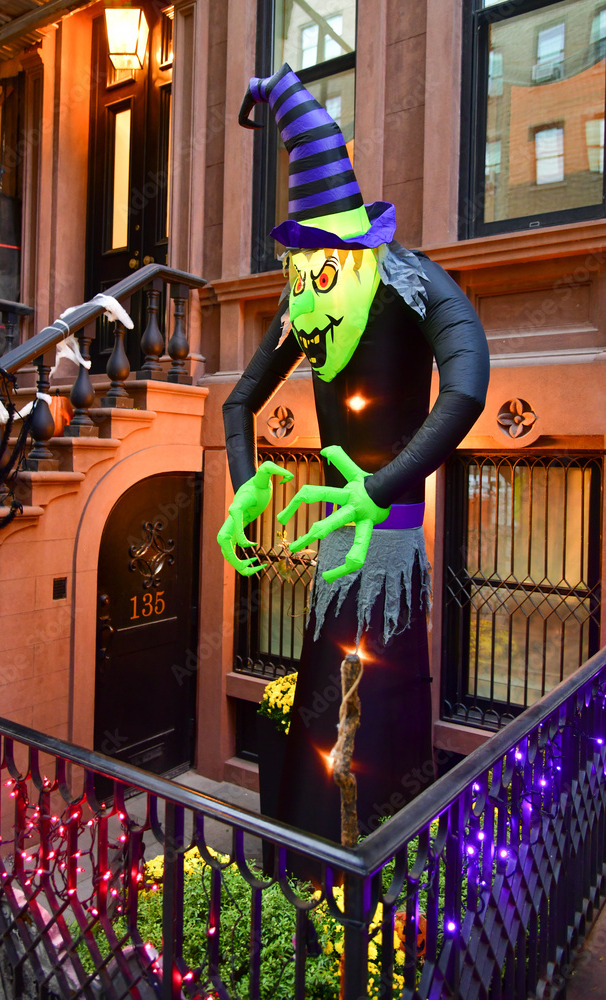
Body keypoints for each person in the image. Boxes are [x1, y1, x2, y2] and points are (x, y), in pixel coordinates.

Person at [218, 64, 490, 844]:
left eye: (320, 268)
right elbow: (238, 402)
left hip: (386, 539)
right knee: (329, 699)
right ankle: (316, 854)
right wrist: (244, 486)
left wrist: (380, 488)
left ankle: (373, 855)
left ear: (359, 251)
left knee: (377, 699)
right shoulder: (304, 298)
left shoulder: (413, 283)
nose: (304, 293)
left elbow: (466, 389)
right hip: (338, 541)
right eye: (297, 271)